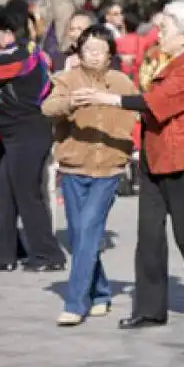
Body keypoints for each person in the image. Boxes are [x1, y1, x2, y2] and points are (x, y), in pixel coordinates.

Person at [72, 1, 184, 329]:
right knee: (149, 236)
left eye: (167, 29)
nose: (160, 34)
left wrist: (108, 99)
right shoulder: (160, 61)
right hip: (154, 157)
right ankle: (149, 309)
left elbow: (154, 103)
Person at [42, 24, 139, 326]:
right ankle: (101, 293)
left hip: (108, 168)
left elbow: (140, 109)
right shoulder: (67, 79)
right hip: (73, 167)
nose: (94, 56)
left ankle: (75, 302)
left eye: (100, 50)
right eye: (88, 50)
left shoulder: (122, 82)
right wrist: (71, 103)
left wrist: (127, 144)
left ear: (110, 54)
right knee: (80, 234)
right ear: (79, 52)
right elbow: (47, 107)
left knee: (87, 230)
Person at [0, 0, 66, 272]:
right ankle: (4, 254)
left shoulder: (20, 56)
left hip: (29, 134)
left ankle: (48, 255)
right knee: (4, 194)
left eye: (4, 30)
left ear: (15, 31)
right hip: (13, 135)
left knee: (27, 194)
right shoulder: (17, 53)